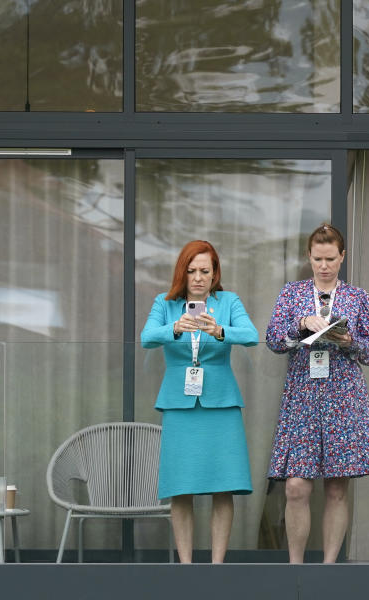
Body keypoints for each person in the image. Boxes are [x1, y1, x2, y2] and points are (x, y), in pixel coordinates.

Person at [265, 223, 369, 563]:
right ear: (309, 257)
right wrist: (301, 323)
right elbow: (273, 340)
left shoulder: (359, 297)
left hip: (343, 396)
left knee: (336, 487)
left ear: (342, 257)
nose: (324, 265)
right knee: (296, 486)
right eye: (318, 258)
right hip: (302, 396)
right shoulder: (291, 293)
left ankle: (329, 568)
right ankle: (296, 568)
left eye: (331, 258)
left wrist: (348, 341)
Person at [141, 240, 259, 563]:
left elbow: (251, 335)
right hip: (180, 405)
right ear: (183, 272)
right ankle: (187, 567)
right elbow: (146, 337)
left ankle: (217, 566)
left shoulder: (228, 301)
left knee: (223, 486)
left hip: (221, 403)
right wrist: (175, 329)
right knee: (181, 487)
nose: (197, 278)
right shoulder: (165, 304)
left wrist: (220, 331)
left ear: (214, 273)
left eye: (205, 271)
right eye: (191, 271)